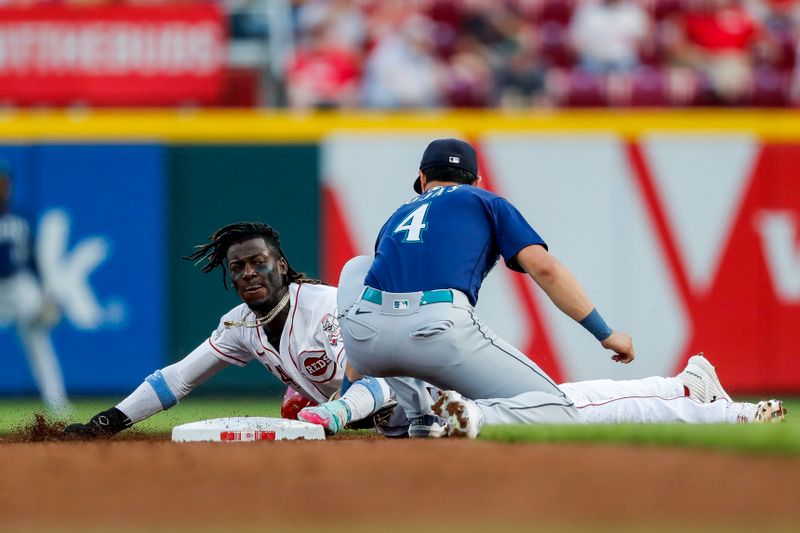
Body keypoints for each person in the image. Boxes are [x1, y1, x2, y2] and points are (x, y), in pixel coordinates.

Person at [331, 138, 786, 438]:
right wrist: (604, 332)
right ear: (476, 179)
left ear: (422, 179)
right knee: (555, 407)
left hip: (368, 338)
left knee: (363, 272)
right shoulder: (484, 200)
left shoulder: (397, 217)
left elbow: (376, 293)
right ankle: (472, 417)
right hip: (436, 330)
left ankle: (427, 420)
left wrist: (348, 391)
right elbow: (544, 269)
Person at [64, 222, 416, 439]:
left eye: (258, 263)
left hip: (419, 391)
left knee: (371, 379)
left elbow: (374, 373)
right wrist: (108, 421)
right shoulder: (239, 323)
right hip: (386, 421)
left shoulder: (324, 305)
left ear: (281, 265)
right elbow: (177, 378)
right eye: (238, 267)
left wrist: (337, 410)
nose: (248, 273)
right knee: (295, 407)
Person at [0, 162, 69, 416]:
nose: (3, 187)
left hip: (20, 287)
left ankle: (58, 405)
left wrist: (44, 292)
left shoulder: (20, 218)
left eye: (5, 182)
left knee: (39, 342)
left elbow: (31, 260)